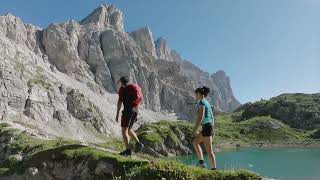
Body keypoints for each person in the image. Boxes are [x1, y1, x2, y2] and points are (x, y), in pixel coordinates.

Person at [115, 76, 144, 156]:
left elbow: (119, 102)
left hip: (128, 111)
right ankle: (139, 144)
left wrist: (117, 114)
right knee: (129, 129)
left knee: (124, 131)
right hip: (135, 111)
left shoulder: (123, 89)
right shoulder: (133, 88)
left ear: (121, 82)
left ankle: (128, 151)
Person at [191, 86, 217, 170]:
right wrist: (213, 128)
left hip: (206, 127)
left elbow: (200, 117)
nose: (195, 96)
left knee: (208, 150)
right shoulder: (207, 102)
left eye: (195, 94)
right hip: (208, 127)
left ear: (199, 94)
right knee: (196, 142)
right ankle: (204, 164)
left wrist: (194, 129)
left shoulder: (202, 102)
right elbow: (212, 116)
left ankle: (209, 167)